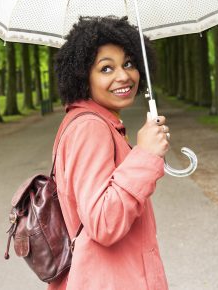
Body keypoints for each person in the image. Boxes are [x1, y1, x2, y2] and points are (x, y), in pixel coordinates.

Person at [49, 16, 170, 290]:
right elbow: (104, 222)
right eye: (106, 68)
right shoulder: (90, 127)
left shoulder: (100, 122)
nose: (123, 76)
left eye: (128, 63)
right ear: (82, 76)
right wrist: (144, 156)